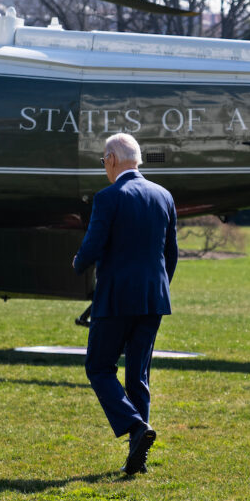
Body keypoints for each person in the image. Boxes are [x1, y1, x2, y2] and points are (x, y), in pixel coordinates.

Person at [72, 132, 177, 476]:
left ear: (113, 160)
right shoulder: (164, 196)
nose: (104, 168)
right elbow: (170, 255)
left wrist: (77, 262)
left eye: (104, 162)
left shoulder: (108, 197)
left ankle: (135, 427)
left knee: (99, 367)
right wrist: (157, 288)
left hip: (116, 298)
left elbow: (92, 247)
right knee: (138, 376)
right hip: (153, 298)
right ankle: (137, 455)